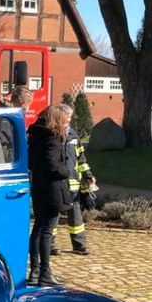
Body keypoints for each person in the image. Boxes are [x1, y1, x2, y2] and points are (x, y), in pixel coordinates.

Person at [27, 105, 71, 286]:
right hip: (52, 190)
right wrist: (66, 171)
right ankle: (45, 272)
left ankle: (35, 271)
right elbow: (52, 165)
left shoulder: (36, 136)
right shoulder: (52, 138)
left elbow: (32, 162)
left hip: (39, 187)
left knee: (38, 229)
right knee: (46, 231)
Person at [52, 104, 97, 256]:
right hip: (58, 184)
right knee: (54, 215)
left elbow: (81, 159)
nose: (69, 120)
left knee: (76, 216)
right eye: (67, 117)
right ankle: (51, 245)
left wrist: (88, 175)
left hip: (73, 185)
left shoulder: (73, 136)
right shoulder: (53, 134)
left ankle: (80, 245)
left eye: (70, 117)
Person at [0, 87, 33, 159]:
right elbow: (2, 151)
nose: (29, 108)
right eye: (29, 105)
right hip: (10, 164)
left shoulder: (13, 117)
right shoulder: (5, 120)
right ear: (23, 104)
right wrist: (23, 153)